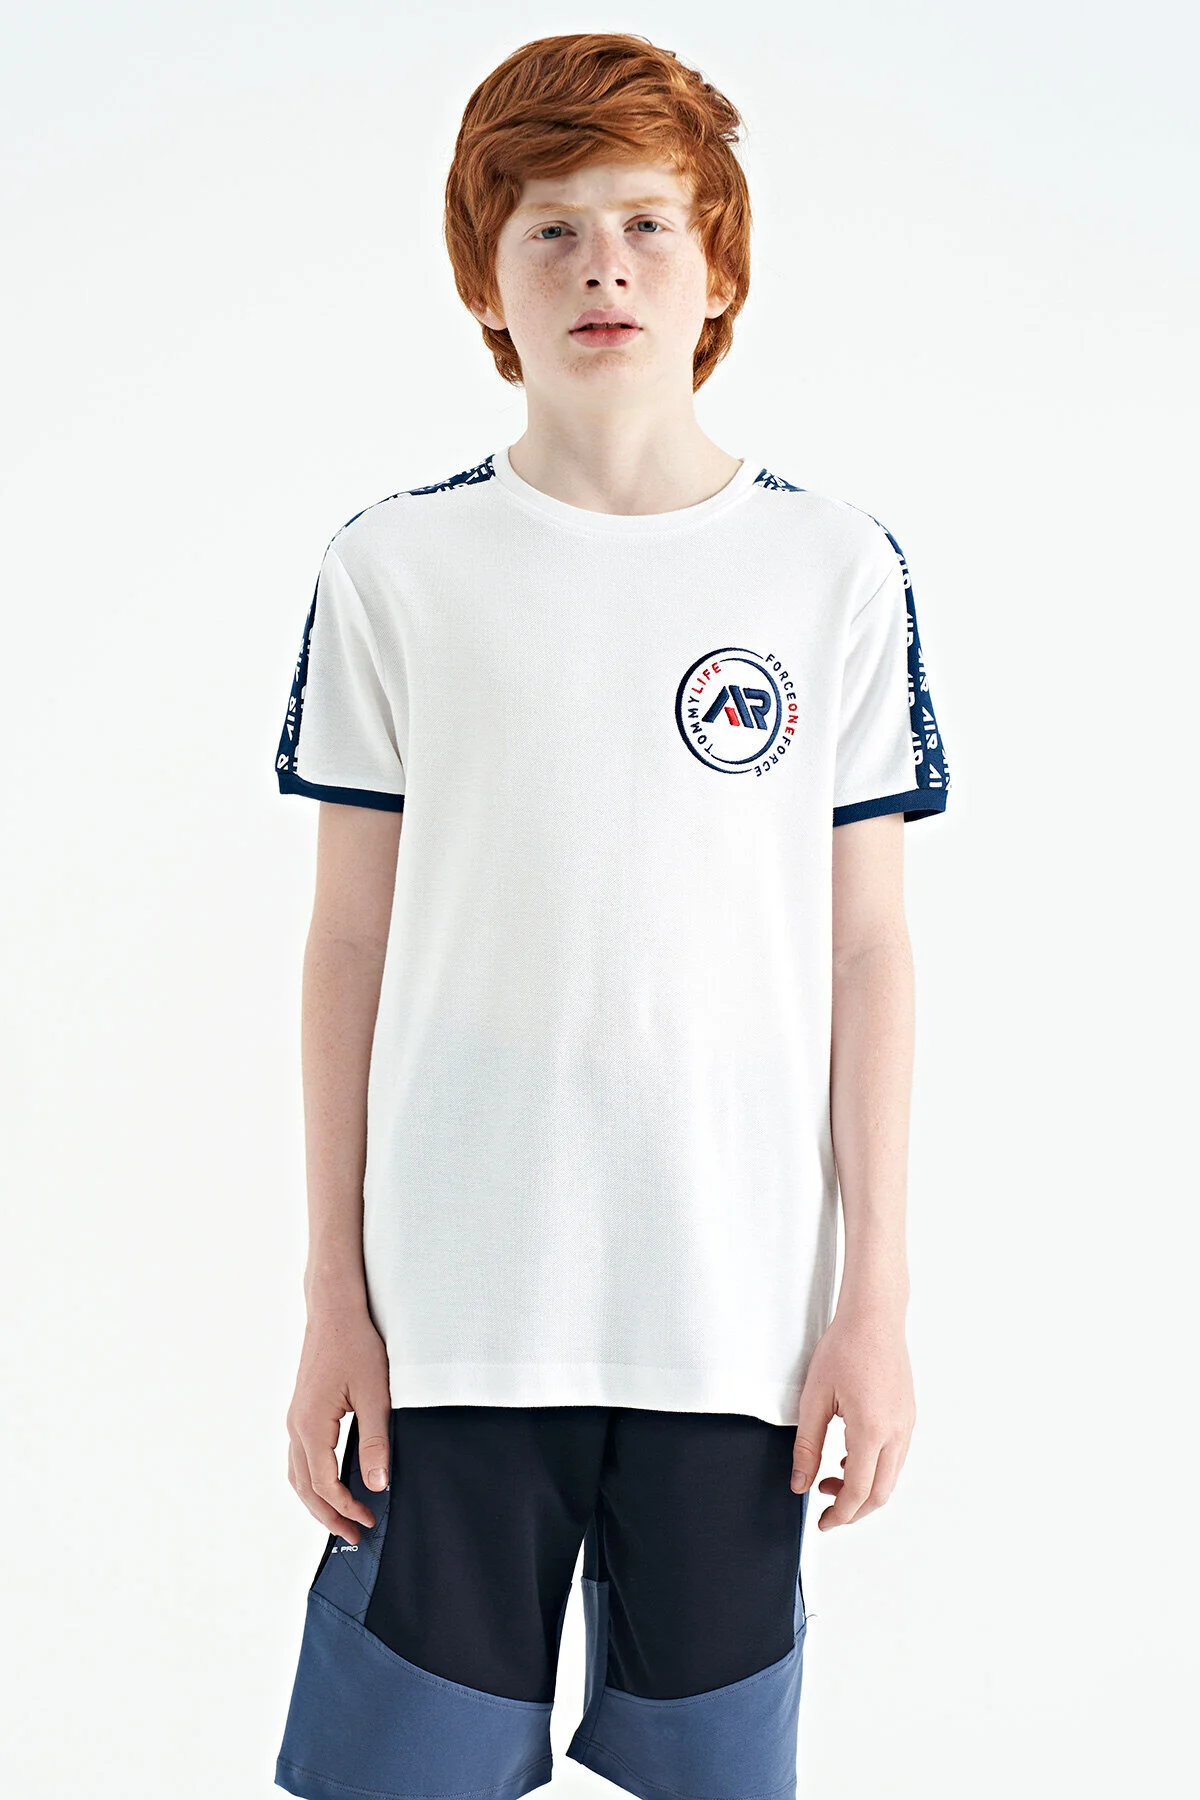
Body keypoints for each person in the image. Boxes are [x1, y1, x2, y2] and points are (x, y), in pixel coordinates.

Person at [271, 31, 951, 1800]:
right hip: (452, 1322)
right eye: (552, 230)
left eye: (649, 223)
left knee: (713, 1777)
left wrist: (874, 1301)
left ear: (718, 266)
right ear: (483, 282)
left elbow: (868, 951)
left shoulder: (830, 568)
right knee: (400, 1774)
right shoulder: (394, 569)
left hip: (736, 1323)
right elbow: (348, 948)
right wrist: (334, 1298)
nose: (604, 268)